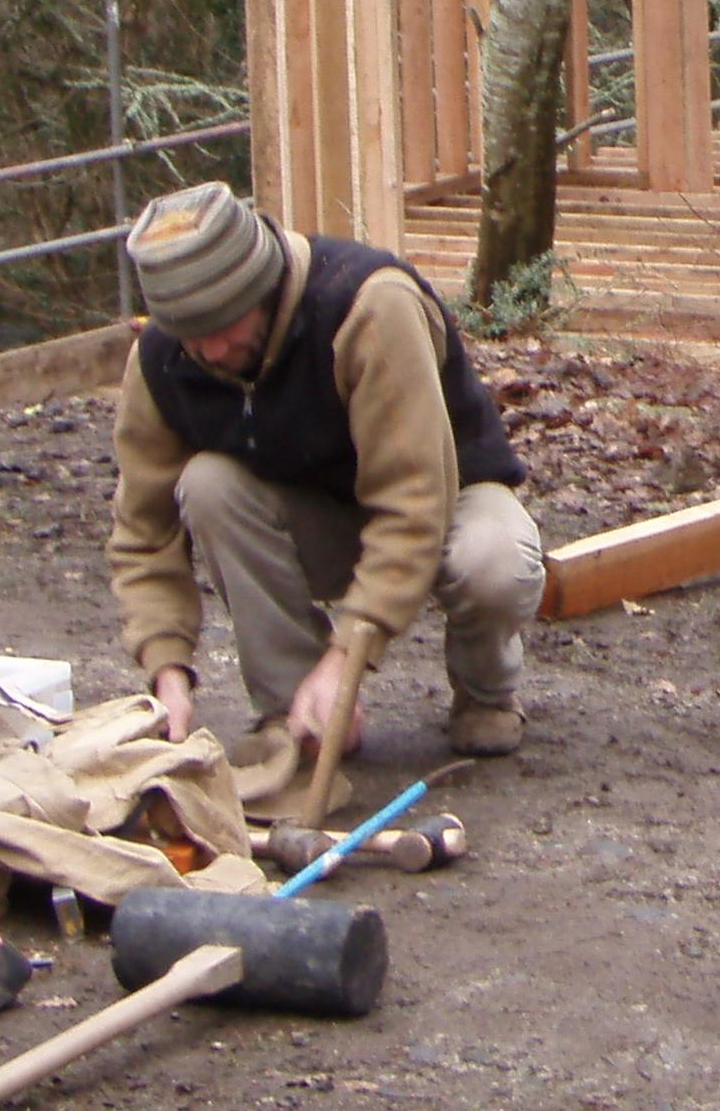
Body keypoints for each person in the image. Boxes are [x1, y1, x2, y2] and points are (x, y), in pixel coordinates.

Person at [105, 180, 542, 798]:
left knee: (492, 563)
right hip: (316, 514)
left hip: (450, 502)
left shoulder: (367, 306)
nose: (212, 350)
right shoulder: (161, 361)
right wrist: (166, 672)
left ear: (262, 284)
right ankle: (295, 717)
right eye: (190, 336)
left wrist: (347, 661)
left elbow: (413, 503)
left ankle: (485, 691)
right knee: (207, 485)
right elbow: (143, 533)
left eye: (226, 325)